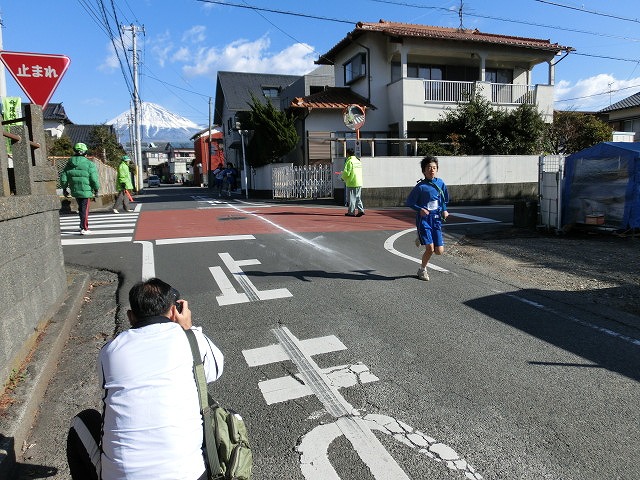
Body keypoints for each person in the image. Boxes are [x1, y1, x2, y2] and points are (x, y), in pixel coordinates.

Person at [66, 278, 224, 480]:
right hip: (192, 475)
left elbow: (108, 391)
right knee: (217, 417)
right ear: (174, 311)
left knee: (83, 420)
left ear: (131, 316)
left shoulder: (110, 351)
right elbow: (215, 370)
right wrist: (189, 329)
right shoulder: (190, 340)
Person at [405, 155, 449, 281]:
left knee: (439, 251)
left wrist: (444, 210)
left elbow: (444, 200)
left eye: (434, 167)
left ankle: (421, 238)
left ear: (437, 169)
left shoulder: (440, 183)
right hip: (424, 220)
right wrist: (420, 209)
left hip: (436, 220)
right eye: (429, 167)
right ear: (424, 170)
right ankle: (422, 270)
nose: (432, 170)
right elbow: (410, 202)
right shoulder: (420, 187)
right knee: (429, 249)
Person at [60, 142, 100, 235]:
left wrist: (64, 189)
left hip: (75, 190)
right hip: (86, 191)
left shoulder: (69, 164)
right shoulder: (89, 164)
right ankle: (84, 228)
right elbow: (94, 179)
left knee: (81, 209)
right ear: (85, 152)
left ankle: (82, 226)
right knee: (84, 210)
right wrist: (96, 189)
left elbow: (63, 177)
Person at [341, 148, 364, 217]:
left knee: (351, 198)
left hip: (352, 182)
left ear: (347, 154)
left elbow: (347, 172)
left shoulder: (349, 161)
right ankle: (361, 210)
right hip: (359, 182)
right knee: (358, 197)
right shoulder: (358, 161)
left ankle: (351, 212)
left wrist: (342, 178)